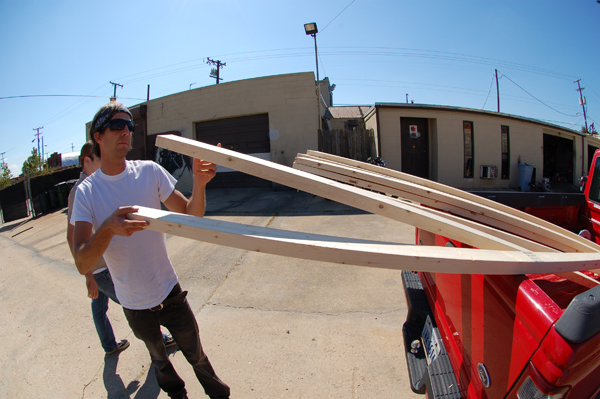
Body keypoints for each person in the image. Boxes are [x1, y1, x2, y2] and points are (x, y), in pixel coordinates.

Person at [70, 101, 229, 399]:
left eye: (129, 126)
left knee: (197, 356)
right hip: (133, 303)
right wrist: (107, 229)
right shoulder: (86, 193)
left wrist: (199, 182)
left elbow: (191, 217)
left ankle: (220, 395)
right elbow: (81, 261)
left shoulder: (149, 172)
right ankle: (177, 395)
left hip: (168, 291)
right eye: (117, 125)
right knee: (159, 360)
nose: (126, 132)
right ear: (99, 136)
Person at [66, 141, 175, 355]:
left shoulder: (98, 184)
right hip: (101, 267)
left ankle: (109, 345)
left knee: (99, 307)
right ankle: (159, 339)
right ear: (87, 161)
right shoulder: (80, 191)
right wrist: (88, 276)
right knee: (135, 304)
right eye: (98, 158)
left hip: (104, 264)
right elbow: (73, 239)